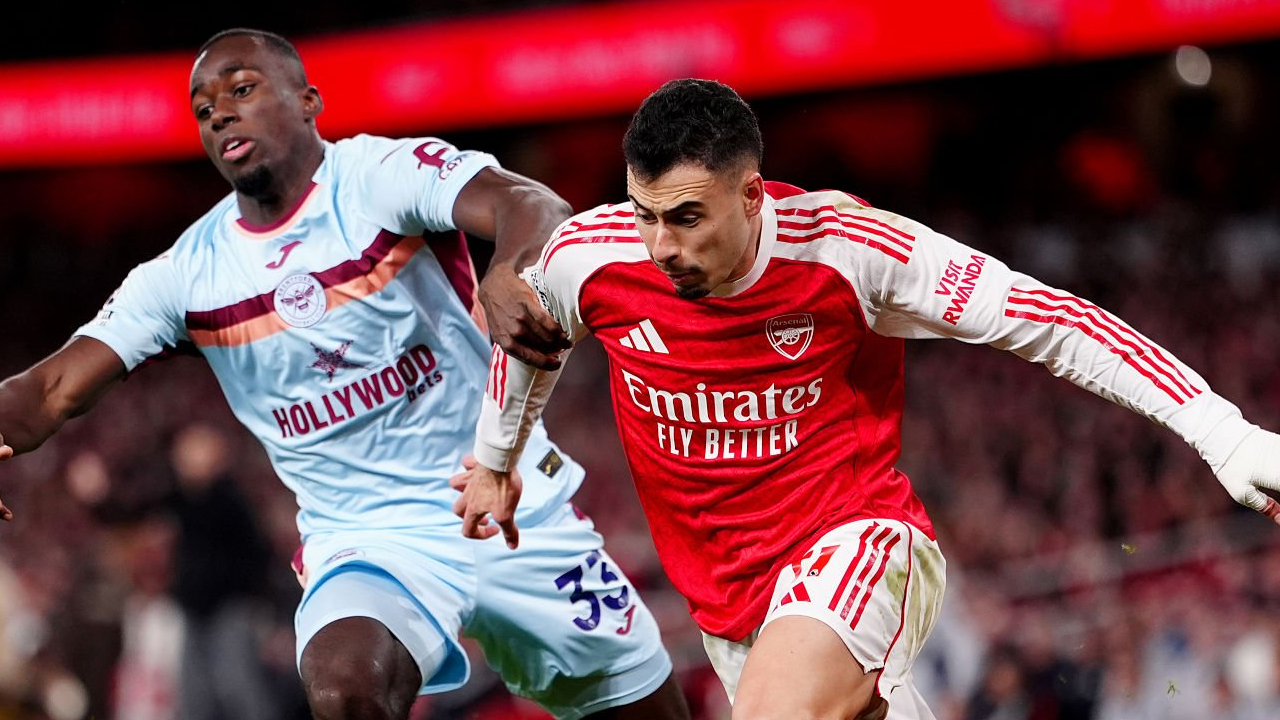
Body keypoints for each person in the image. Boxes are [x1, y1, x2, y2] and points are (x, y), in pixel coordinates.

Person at [453, 78, 1280, 720]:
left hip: (857, 544)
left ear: (752, 196)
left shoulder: (851, 250)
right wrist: (496, 459)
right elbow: (532, 338)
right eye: (644, 214)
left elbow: (1044, 318)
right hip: (729, 609)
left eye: (685, 217)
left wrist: (1219, 430)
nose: (660, 244)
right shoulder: (590, 255)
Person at [0, 29, 690, 720]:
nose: (220, 114)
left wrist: (511, 271)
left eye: (241, 90)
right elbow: (51, 389)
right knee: (344, 683)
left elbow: (530, 204)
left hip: (508, 501)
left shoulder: (379, 176)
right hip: (367, 539)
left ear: (307, 101)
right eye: (204, 109)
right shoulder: (188, 274)